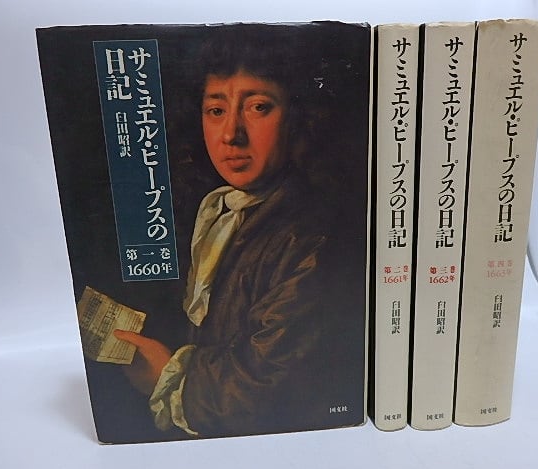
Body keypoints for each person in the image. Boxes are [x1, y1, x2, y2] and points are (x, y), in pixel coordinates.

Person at [114, 27, 358, 438]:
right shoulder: (218, 209)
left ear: (298, 115)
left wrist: (165, 374)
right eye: (216, 110)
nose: (231, 134)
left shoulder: (312, 236)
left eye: (258, 107)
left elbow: (264, 386)